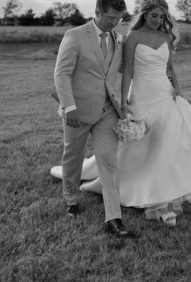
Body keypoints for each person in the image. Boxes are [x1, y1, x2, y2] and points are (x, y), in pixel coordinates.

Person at [79, 0, 191, 226]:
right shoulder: (134, 37)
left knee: (167, 143)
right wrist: (124, 101)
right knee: (138, 145)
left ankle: (164, 196)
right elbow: (128, 71)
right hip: (141, 95)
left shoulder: (167, 37)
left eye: (162, 17)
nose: (159, 21)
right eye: (154, 16)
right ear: (145, 15)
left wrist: (178, 88)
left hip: (166, 95)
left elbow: (170, 68)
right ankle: (131, 187)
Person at [54, 0, 136, 238]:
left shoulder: (118, 39)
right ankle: (71, 199)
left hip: (108, 111)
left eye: (119, 19)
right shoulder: (75, 36)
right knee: (73, 156)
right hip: (77, 111)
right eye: (110, 18)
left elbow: (121, 72)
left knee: (110, 162)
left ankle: (114, 218)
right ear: (98, 13)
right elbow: (62, 73)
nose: (115, 23)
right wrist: (69, 107)